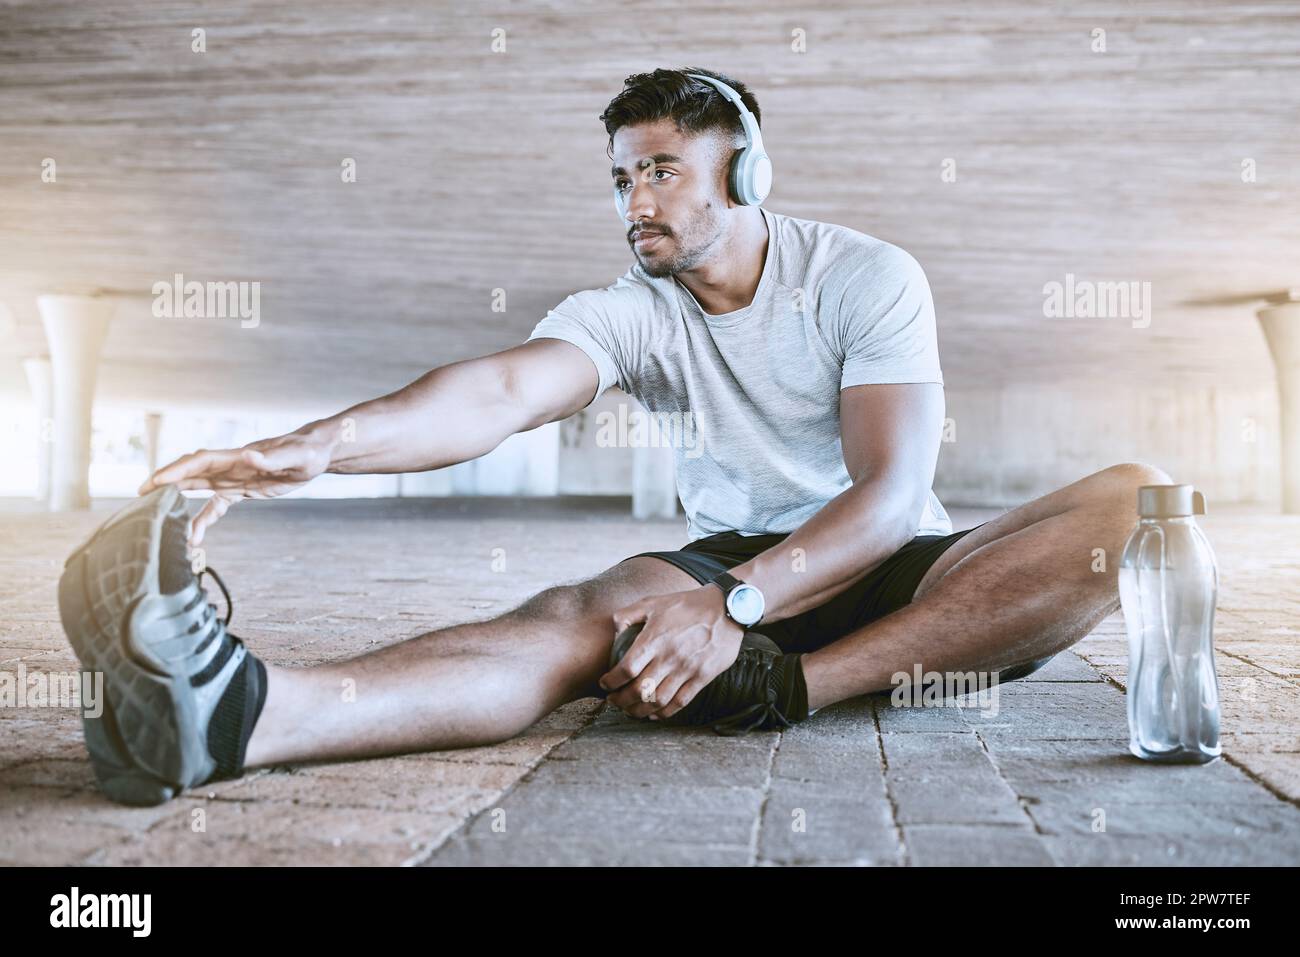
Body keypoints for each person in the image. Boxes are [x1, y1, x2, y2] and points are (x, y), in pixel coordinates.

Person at [59, 67, 1169, 806]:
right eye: (623, 176)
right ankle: (239, 715)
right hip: (731, 553)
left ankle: (799, 687)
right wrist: (321, 445)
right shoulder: (631, 310)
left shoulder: (863, 277)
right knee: (573, 614)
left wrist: (742, 623)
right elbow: (495, 391)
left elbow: (885, 499)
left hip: (899, 563)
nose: (635, 197)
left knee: (1133, 503)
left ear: (746, 174)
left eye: (661, 169)